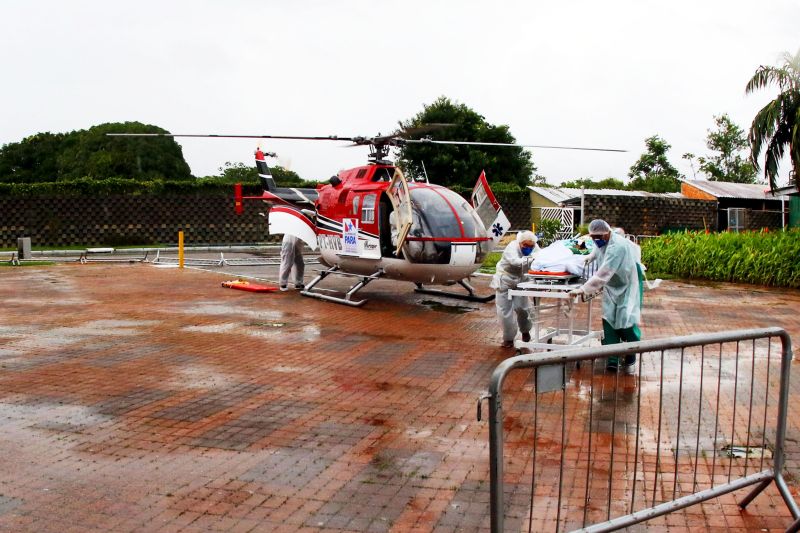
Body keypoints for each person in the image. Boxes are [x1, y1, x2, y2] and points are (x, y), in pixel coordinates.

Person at [570, 219, 643, 371]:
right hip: (611, 286)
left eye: (599, 237)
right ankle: (612, 358)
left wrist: (583, 289)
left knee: (626, 321)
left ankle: (632, 351)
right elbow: (595, 252)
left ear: (607, 233)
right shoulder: (599, 242)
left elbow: (604, 273)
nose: (596, 240)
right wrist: (587, 258)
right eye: (593, 237)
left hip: (628, 285)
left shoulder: (618, 247)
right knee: (609, 321)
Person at [491, 230, 540, 348]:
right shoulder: (511, 247)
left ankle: (525, 331)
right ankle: (508, 339)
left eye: (531, 246)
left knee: (522, 308)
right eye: (525, 246)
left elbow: (540, 256)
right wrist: (533, 258)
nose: (528, 248)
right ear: (520, 243)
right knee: (504, 311)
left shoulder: (535, 246)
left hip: (521, 280)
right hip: (505, 279)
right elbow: (515, 262)